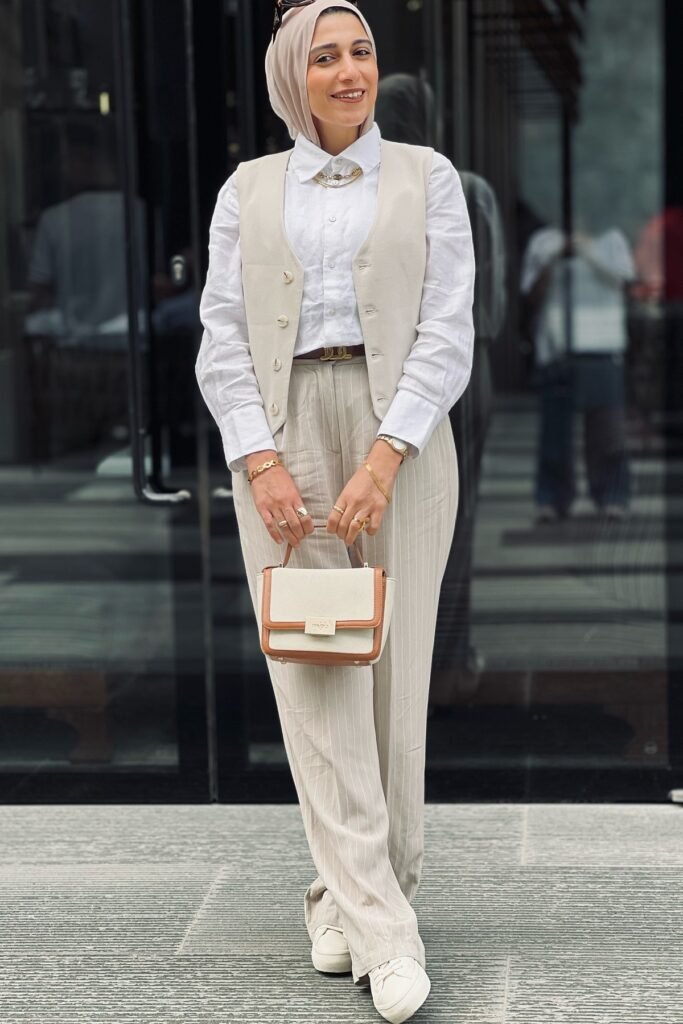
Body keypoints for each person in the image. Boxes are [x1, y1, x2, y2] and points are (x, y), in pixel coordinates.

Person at [195, 2, 475, 1020]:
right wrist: (257, 457)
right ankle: (388, 931)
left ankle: (345, 893)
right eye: (326, 56)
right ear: (290, 76)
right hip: (279, 429)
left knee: (394, 686)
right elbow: (221, 330)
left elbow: (448, 327)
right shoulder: (246, 190)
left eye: (360, 51)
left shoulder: (426, 179)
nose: (350, 70)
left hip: (400, 427)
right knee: (315, 679)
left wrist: (386, 450)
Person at [521, 221, 635, 523]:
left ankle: (613, 496)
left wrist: (586, 251)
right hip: (557, 348)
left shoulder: (611, 238)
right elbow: (530, 296)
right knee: (555, 433)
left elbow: (623, 283)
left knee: (608, 433)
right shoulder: (543, 241)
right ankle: (552, 499)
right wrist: (557, 257)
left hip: (603, 345)